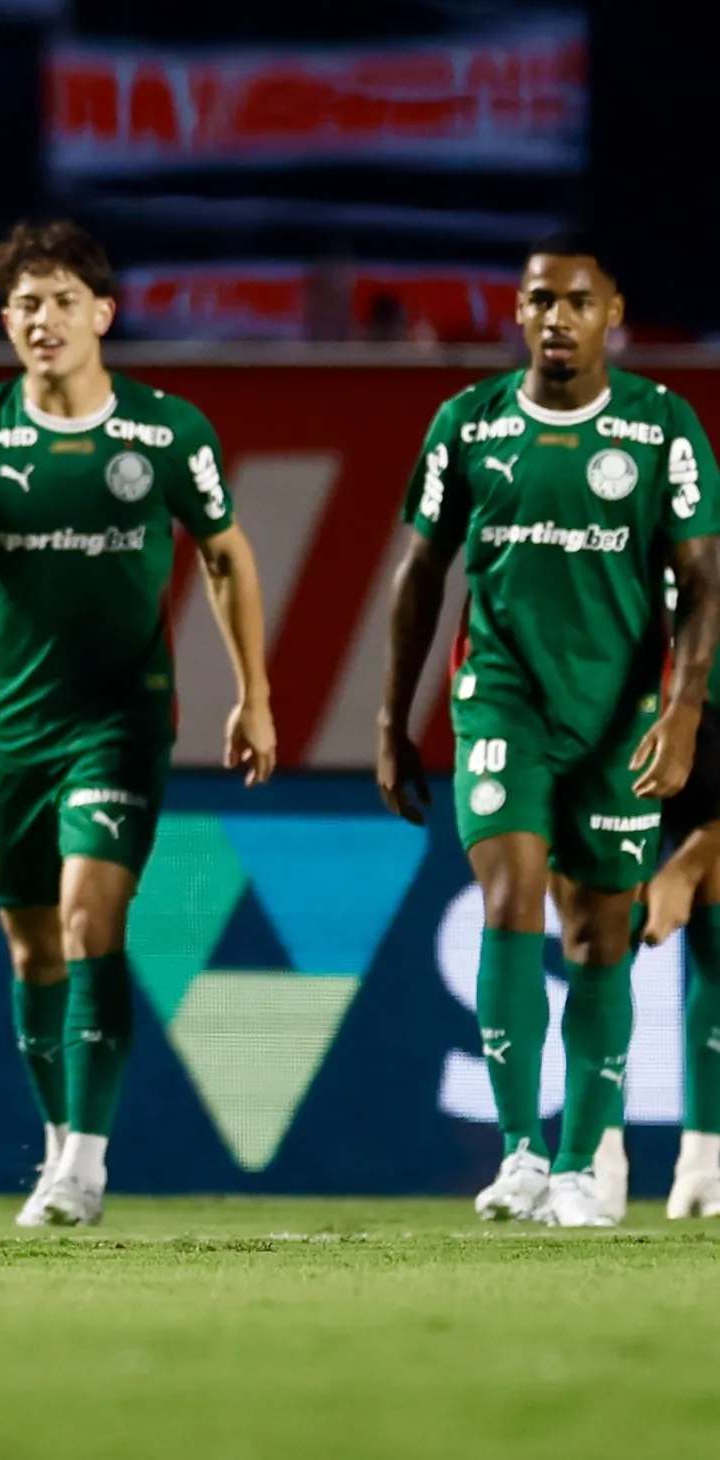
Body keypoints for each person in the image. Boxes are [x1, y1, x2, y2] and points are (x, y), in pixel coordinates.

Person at [0, 219, 276, 1227]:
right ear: (6, 321)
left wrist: (256, 692)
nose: (43, 318)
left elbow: (227, 556)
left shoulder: (164, 432)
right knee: (33, 952)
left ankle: (88, 1162)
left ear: (102, 313)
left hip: (121, 719)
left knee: (87, 918)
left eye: (63, 299)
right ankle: (61, 1144)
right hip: (13, 731)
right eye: (25, 302)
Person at [378, 232, 720, 1227]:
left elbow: (702, 586)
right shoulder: (468, 425)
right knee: (509, 894)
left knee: (600, 928)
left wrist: (686, 709)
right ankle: (522, 1151)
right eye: (539, 301)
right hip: (502, 699)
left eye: (577, 300)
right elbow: (417, 579)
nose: (556, 318)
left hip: (620, 715)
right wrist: (391, 720)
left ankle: (582, 1165)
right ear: (517, 312)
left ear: (612, 311)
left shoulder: (663, 430)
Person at [629, 578, 720, 1220]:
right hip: (613, 728)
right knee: (598, 929)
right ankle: (592, 1165)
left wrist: (683, 871)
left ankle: (704, 1165)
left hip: (706, 742)